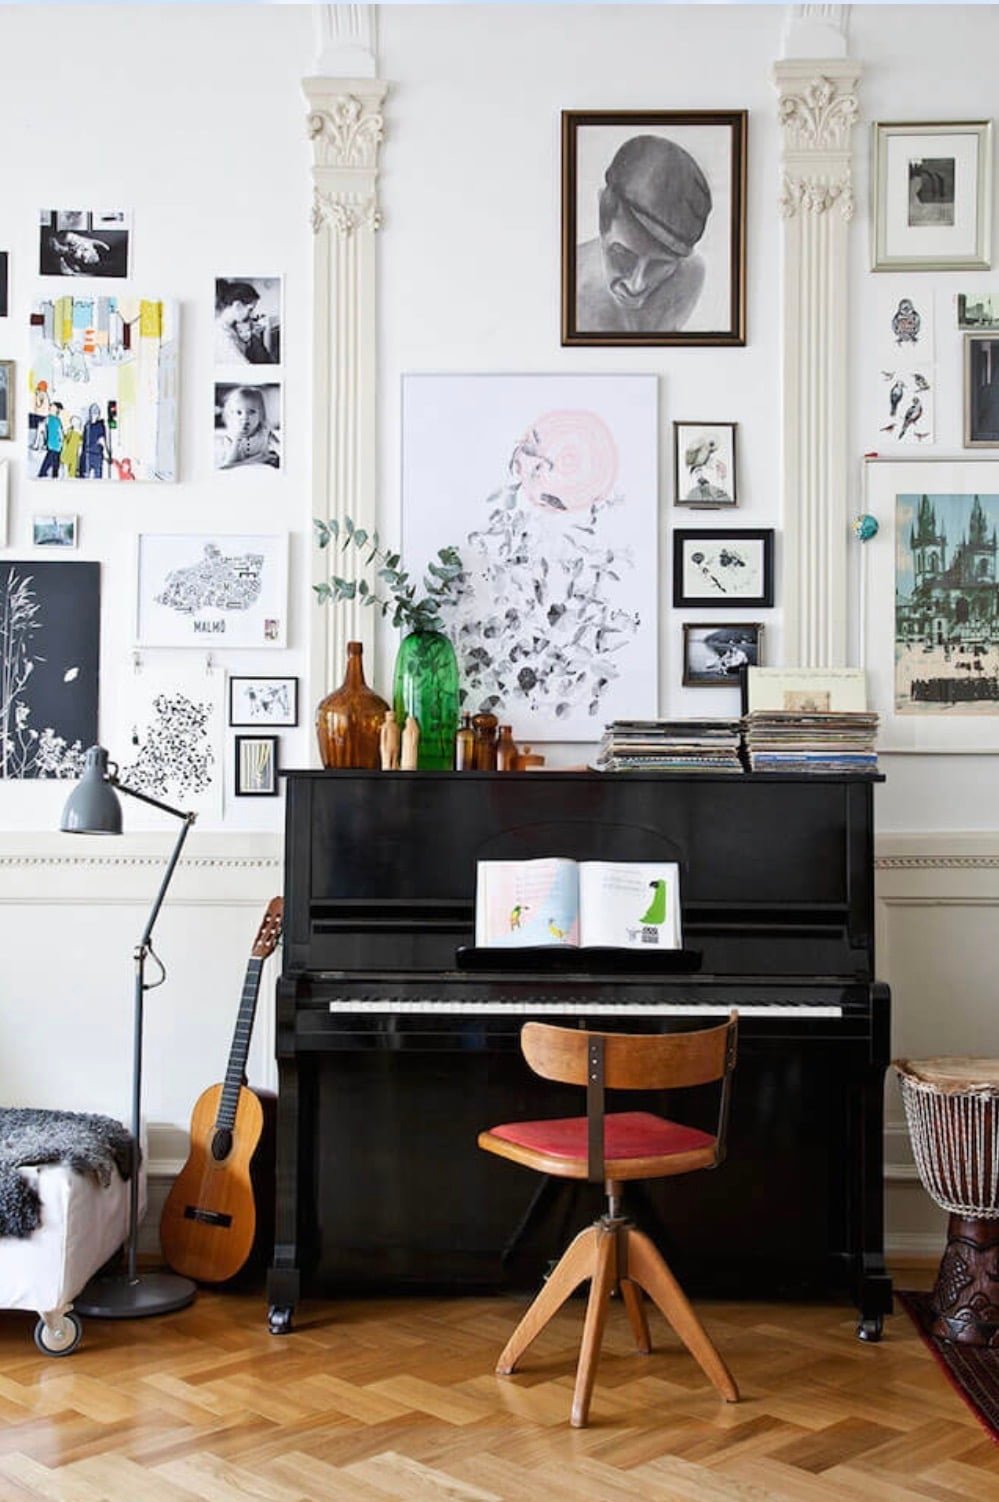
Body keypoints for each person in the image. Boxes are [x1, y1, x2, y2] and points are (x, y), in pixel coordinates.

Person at [575, 135, 712, 335]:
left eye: (660, 265)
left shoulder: (692, 275)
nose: (636, 286)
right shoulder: (572, 289)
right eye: (622, 255)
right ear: (601, 215)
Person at [214, 385, 279, 469]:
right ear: (231, 416)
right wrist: (258, 459)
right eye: (239, 412)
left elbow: (281, 449)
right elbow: (228, 465)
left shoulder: (264, 431)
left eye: (252, 412)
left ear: (261, 415)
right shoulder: (233, 437)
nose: (245, 417)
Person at [214, 280, 271, 364]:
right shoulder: (221, 334)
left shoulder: (230, 327)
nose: (250, 315)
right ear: (238, 305)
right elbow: (244, 366)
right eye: (250, 310)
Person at [81, 402, 109, 479]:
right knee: (86, 476)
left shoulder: (100, 425)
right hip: (88, 454)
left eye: (96, 413)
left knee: (97, 476)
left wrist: (106, 454)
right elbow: (84, 440)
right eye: (93, 412)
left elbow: (102, 439)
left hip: (97, 454)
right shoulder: (87, 425)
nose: (94, 414)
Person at [38, 402, 64, 478]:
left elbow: (60, 431)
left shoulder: (57, 420)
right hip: (51, 445)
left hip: (57, 446)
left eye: (53, 407)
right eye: (51, 407)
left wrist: (61, 441)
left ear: (57, 410)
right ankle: (42, 474)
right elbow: (42, 427)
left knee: (55, 464)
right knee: (48, 462)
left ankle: (52, 476)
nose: (50, 408)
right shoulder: (48, 418)